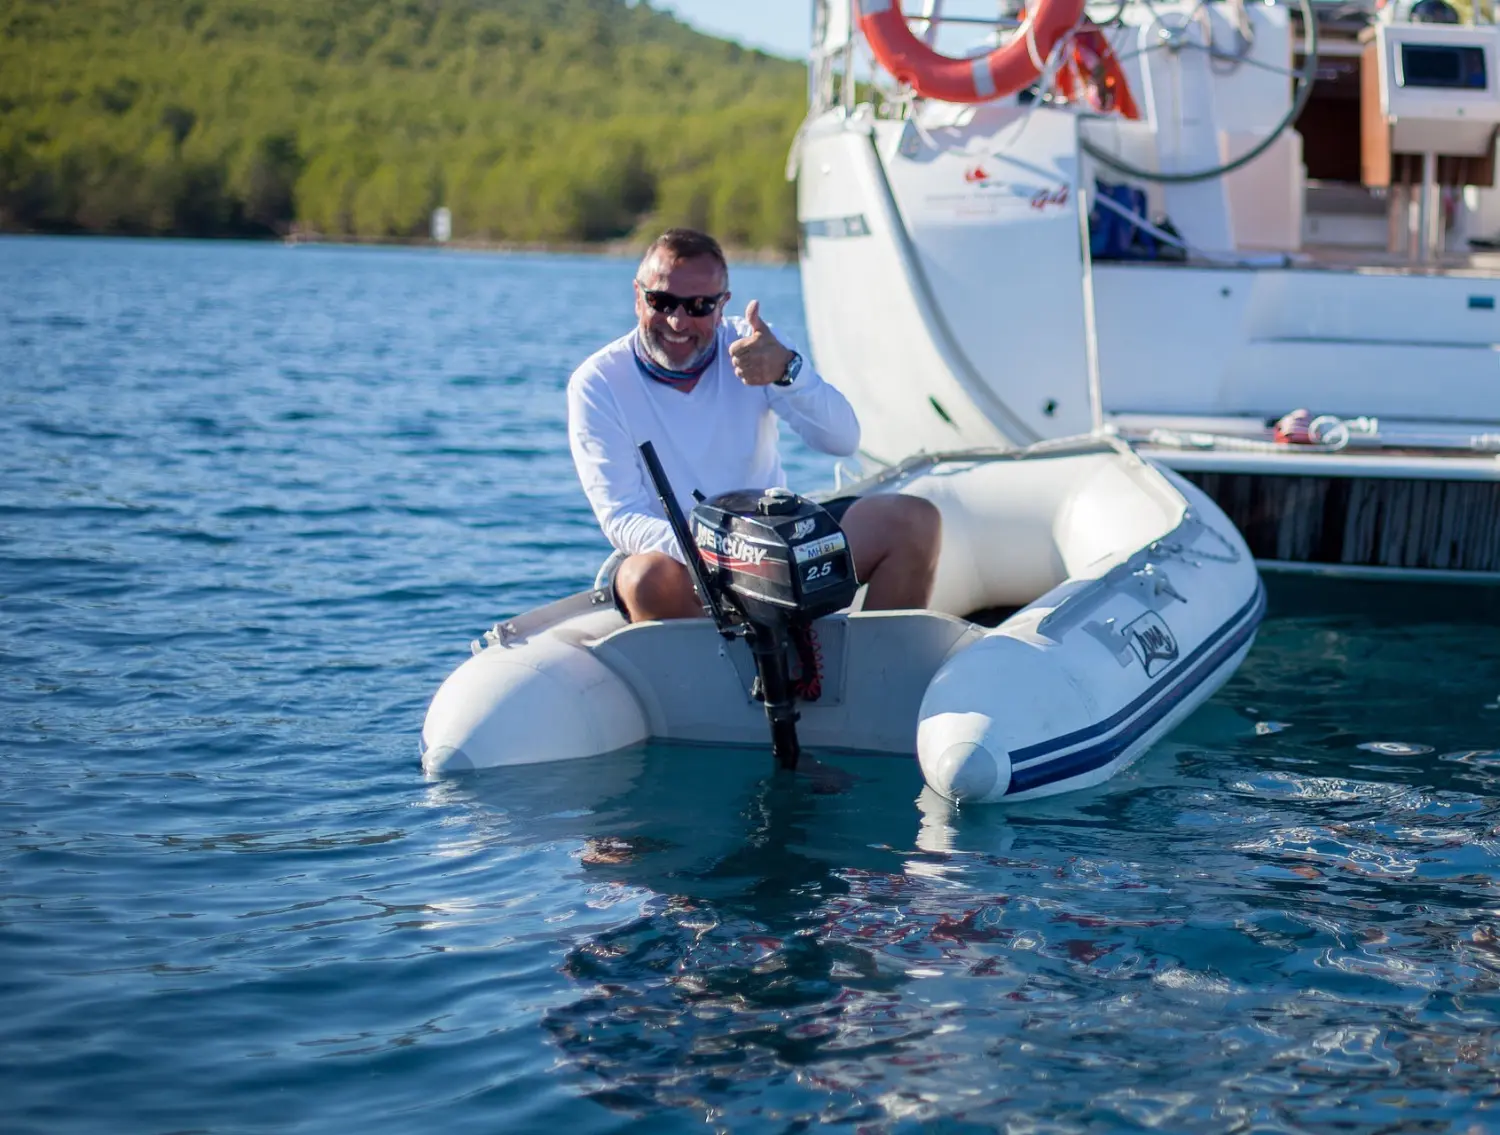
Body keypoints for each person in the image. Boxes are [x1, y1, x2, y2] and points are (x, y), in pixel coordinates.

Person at [567, 228, 940, 622]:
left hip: (772, 544)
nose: (677, 321)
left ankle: (872, 676)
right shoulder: (598, 382)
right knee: (646, 578)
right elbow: (623, 515)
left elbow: (842, 440)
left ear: (722, 304)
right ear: (638, 296)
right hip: (679, 559)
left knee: (914, 522)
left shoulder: (756, 345)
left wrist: (788, 371)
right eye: (661, 301)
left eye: (698, 305)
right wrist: (721, 551)